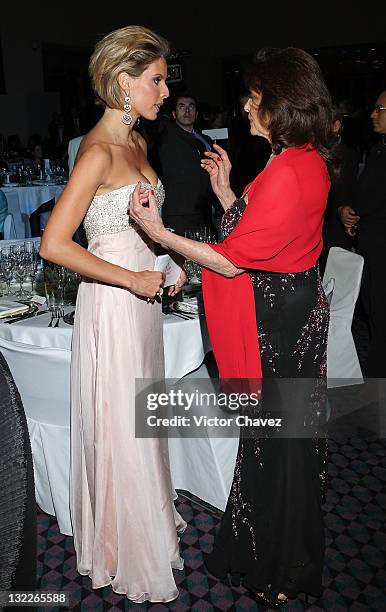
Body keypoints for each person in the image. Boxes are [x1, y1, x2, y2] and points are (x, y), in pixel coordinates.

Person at [129, 47, 337, 608]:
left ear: (280, 103)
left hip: (278, 316)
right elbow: (261, 237)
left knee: (276, 438)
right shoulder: (300, 157)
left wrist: (160, 233)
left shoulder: (292, 170)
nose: (247, 105)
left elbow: (230, 259)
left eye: (255, 97)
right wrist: (225, 192)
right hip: (291, 304)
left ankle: (277, 563)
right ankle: (276, 552)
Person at [40, 25, 187, 604]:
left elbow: (141, 228)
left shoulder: (138, 144)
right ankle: (125, 543)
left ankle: (146, 515)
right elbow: (55, 243)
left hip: (143, 304)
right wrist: (130, 277)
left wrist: (171, 260)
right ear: (124, 83)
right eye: (155, 81)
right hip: (114, 304)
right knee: (122, 421)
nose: (165, 92)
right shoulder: (99, 149)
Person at [343, 91, 386, 377]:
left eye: (379, 108)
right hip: (371, 244)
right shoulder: (377, 148)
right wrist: (347, 211)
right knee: (372, 312)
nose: (372, 114)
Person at [149, 93, 216, 235]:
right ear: (173, 114)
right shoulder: (166, 136)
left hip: (204, 212)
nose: (187, 111)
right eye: (182, 106)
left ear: (197, 113)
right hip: (178, 212)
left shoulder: (206, 140)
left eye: (191, 106)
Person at [319, 106, 360, 276]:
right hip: (320, 223)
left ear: (336, 126)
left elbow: (346, 191)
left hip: (336, 224)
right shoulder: (317, 152)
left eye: (325, 123)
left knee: (335, 274)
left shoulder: (349, 154)